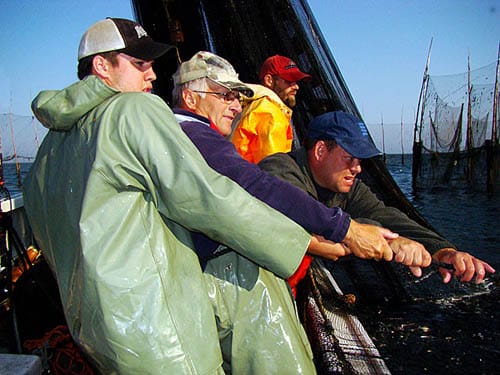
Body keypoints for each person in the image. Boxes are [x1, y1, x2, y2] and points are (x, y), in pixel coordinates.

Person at [22, 19, 350, 374]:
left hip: (98, 333)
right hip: (161, 331)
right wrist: (305, 242)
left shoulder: (47, 153)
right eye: (139, 64)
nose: (152, 76)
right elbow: (207, 199)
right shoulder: (133, 110)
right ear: (102, 66)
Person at [171, 51, 430, 373]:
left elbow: (381, 212)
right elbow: (260, 188)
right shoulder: (198, 136)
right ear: (190, 98)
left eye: (238, 98)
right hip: (221, 277)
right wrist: (349, 231)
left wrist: (440, 247)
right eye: (226, 96)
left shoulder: (190, 137)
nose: (237, 106)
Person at [259, 111, 496, 284]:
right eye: (350, 158)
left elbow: (387, 216)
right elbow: (302, 224)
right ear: (321, 150)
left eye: (360, 161)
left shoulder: (348, 187)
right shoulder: (279, 168)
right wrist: (391, 243)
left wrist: (443, 251)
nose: (357, 168)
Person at [231, 54, 311, 163]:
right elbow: (274, 168)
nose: (296, 87)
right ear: (269, 80)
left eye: (296, 81)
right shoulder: (271, 113)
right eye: (289, 80)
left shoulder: (252, 105)